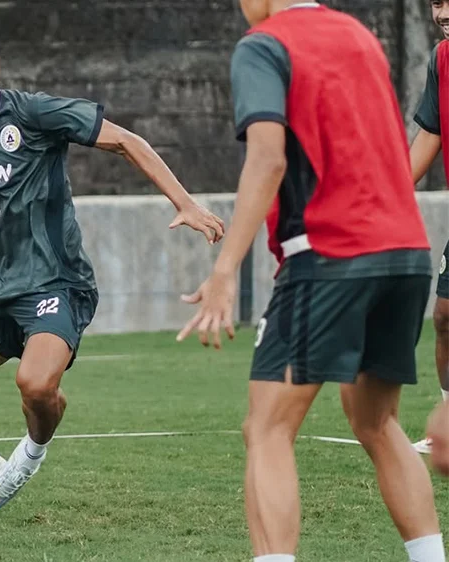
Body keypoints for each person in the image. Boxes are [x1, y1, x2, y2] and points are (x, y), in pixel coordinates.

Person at [0, 9, 225, 513]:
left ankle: (26, 459)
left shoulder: (32, 114)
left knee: (35, 383)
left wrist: (183, 202)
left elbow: (126, 141)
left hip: (56, 281)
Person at [177, 2, 445, 561]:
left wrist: (225, 269)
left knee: (268, 429)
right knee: (377, 422)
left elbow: (268, 160)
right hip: (405, 253)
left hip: (329, 257)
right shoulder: (360, 35)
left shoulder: (263, 44)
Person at [407, 0, 449, 456]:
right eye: (436, 2)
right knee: (445, 315)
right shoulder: (441, 59)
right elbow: (431, 135)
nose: (443, 13)